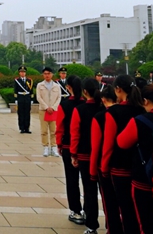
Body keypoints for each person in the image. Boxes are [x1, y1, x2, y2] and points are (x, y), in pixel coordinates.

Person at [117, 83, 153, 234]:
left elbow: (122, 142)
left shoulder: (139, 121)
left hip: (144, 177)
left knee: (145, 223)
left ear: (145, 101)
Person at [101, 75, 145, 234]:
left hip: (119, 166)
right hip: (139, 166)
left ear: (118, 89)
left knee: (123, 207)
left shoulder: (113, 112)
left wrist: (104, 167)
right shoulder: (142, 109)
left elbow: (108, 143)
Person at [70, 77, 103, 234]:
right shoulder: (103, 108)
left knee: (89, 191)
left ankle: (92, 225)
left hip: (85, 154)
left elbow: (75, 134)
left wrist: (73, 154)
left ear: (84, 92)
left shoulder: (80, 110)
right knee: (106, 193)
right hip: (102, 155)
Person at [90, 85, 121, 234]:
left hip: (106, 165)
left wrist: (94, 170)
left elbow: (97, 146)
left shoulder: (100, 116)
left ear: (103, 99)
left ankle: (112, 229)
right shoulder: (132, 111)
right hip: (126, 164)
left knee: (109, 202)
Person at [55, 75, 85, 226]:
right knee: (88, 182)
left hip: (68, 145)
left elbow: (59, 126)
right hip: (86, 148)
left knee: (72, 179)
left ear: (68, 87)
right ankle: (89, 210)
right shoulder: (87, 103)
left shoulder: (65, 104)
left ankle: (76, 211)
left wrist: (59, 144)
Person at [37, 66, 62, 157]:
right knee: (44, 130)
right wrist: (46, 107)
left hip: (54, 111)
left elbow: (59, 98)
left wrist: (53, 107)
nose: (47, 75)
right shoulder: (40, 85)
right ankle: (45, 147)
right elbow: (38, 97)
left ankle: (54, 147)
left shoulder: (57, 86)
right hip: (43, 110)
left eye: (48, 73)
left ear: (52, 74)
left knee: (54, 130)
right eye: (45, 74)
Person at [14, 66, 33, 134]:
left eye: (24, 72)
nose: (22, 73)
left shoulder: (29, 80)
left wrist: (31, 99)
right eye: (21, 72)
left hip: (27, 97)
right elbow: (15, 90)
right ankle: (22, 128)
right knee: (21, 113)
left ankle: (27, 128)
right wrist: (16, 99)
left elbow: (31, 90)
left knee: (27, 113)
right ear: (19, 73)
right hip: (20, 97)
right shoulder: (17, 80)